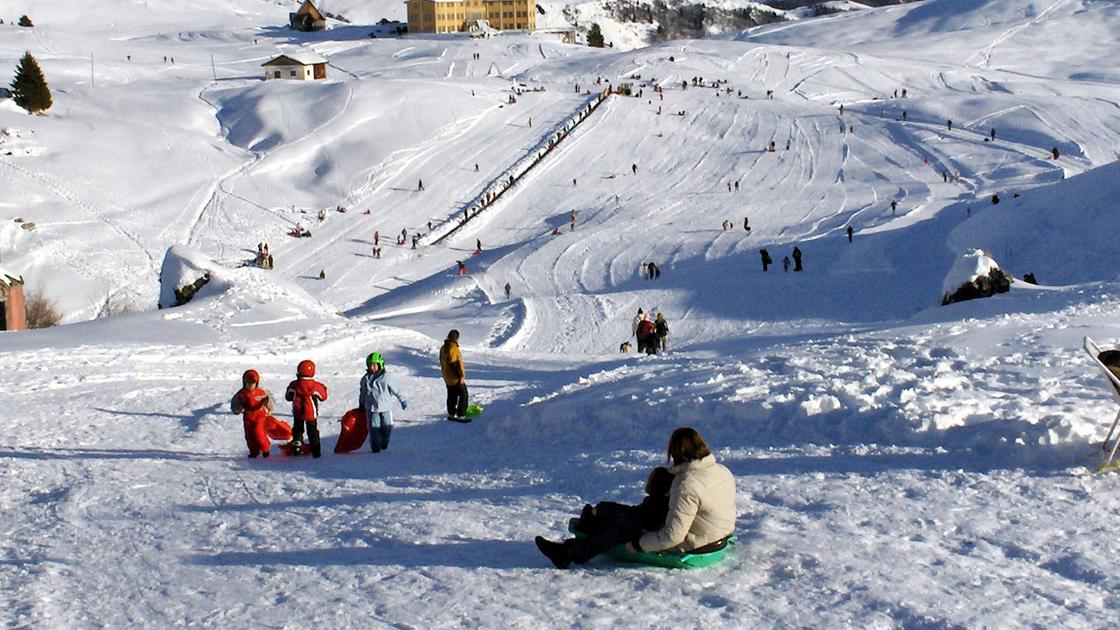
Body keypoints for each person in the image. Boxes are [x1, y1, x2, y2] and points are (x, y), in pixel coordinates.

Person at [535, 467, 674, 569]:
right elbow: (638, 514)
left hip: (646, 535)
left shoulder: (660, 504)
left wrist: (608, 508)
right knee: (616, 522)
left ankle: (568, 553)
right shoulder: (660, 502)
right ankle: (589, 524)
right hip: (645, 530)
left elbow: (639, 516)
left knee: (618, 528)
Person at [626, 427, 735, 556]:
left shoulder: (686, 483)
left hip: (697, 545)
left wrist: (638, 544)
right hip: (721, 535)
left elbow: (673, 536)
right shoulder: (722, 470)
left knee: (625, 528)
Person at [359, 353, 407, 453]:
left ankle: (384, 442)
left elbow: (396, 389)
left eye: (374, 365)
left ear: (380, 364)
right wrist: (362, 403)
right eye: (370, 365)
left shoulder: (387, 377)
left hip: (385, 406)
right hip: (372, 408)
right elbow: (363, 392)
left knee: (387, 427)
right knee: (374, 428)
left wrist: (402, 399)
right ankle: (376, 446)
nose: (372, 367)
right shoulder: (365, 379)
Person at [285, 360, 328, 458]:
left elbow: (288, 396)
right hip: (311, 413)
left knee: (297, 429)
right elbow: (323, 397)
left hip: (298, 411)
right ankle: (316, 450)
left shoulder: (294, 384)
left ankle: (297, 445)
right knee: (312, 431)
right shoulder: (315, 385)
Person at [230, 369, 272, 458]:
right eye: (247, 383)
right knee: (249, 435)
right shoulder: (241, 395)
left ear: (256, 383)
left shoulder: (261, 392)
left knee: (258, 433)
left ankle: (265, 448)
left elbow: (268, 401)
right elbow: (235, 406)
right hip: (248, 416)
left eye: (252, 384)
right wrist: (238, 409)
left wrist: (269, 408)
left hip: (259, 415)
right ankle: (254, 451)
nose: (250, 386)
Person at [440, 330, 469, 422]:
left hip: (447, 376)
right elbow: (455, 364)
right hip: (455, 377)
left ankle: (451, 414)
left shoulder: (443, 347)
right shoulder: (453, 348)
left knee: (452, 395)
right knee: (464, 395)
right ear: (456, 338)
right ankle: (461, 414)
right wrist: (460, 377)